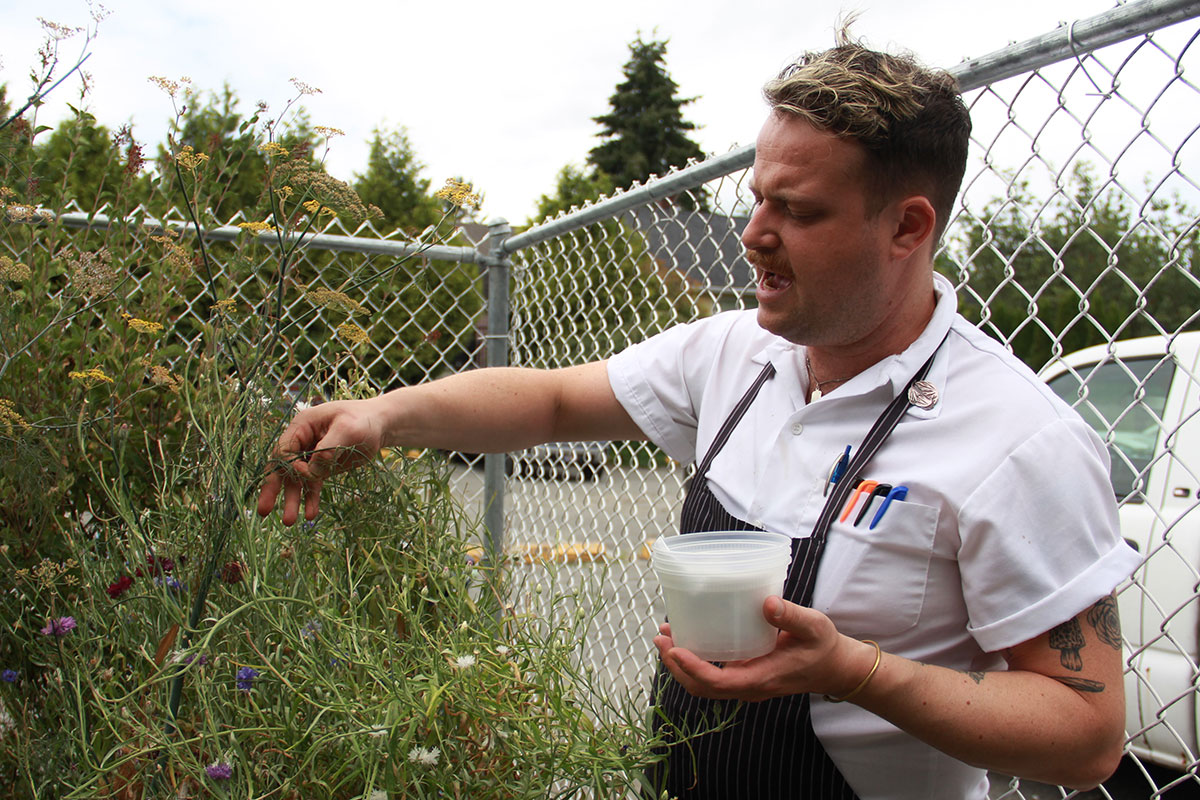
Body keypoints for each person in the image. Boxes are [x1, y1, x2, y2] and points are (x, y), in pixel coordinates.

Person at [258, 27, 1141, 800]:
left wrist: (854, 672)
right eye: (757, 196)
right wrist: (382, 415)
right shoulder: (735, 356)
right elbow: (552, 397)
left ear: (908, 227)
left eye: (795, 210)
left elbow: (1087, 733)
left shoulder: (1019, 441)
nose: (753, 233)